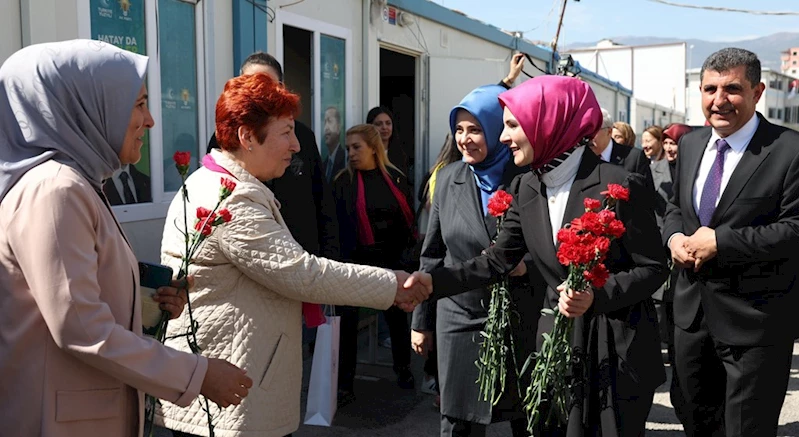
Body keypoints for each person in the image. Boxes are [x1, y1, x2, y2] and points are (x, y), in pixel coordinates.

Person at [0, 40, 252, 437]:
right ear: (85, 107)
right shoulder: (55, 190)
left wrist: (144, 299)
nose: (150, 120)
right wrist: (197, 373)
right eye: (137, 104)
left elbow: (73, 296)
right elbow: (82, 328)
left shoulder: (78, 184)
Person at [157, 74, 429, 437]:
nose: (297, 145)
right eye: (286, 132)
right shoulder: (231, 198)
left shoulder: (216, 183)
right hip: (226, 407)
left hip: (230, 391)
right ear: (247, 137)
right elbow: (302, 274)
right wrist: (392, 284)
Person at [408, 75, 668, 437]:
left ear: (548, 123)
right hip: (554, 349)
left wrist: (597, 294)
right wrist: (432, 283)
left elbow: (654, 268)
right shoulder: (526, 185)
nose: (502, 136)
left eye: (512, 125)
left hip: (613, 349)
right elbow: (496, 259)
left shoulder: (620, 185)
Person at [663, 47, 799, 437]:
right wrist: (673, 237)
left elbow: (794, 229)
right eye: (709, 89)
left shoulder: (789, 151)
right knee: (695, 418)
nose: (718, 101)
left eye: (732, 89)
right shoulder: (690, 145)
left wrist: (722, 242)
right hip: (691, 319)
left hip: (755, 322)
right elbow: (676, 207)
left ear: (758, 93)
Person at [411, 84, 539, 437]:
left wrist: (526, 266)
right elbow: (433, 253)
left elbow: (547, 246)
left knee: (528, 416)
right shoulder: (449, 178)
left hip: (517, 316)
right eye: (459, 129)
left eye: (476, 129)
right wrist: (421, 321)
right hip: (458, 316)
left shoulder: (527, 180)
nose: (464, 139)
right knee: (457, 420)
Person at [332, 124, 418, 402]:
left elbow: (408, 224)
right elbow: (336, 227)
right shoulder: (342, 182)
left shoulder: (395, 178)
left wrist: (405, 262)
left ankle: (403, 369)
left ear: (372, 147)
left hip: (390, 259)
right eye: (348, 149)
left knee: (396, 320)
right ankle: (345, 383)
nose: (351, 154)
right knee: (347, 326)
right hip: (354, 263)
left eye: (356, 147)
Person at [590, 108, 654, 191]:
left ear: (609, 132)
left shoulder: (634, 157)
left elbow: (647, 196)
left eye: (594, 130)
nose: (588, 136)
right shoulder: (581, 156)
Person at [367, 106, 411, 181]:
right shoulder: (365, 154)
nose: (384, 127)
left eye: (388, 123)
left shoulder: (400, 154)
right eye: (378, 124)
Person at [323, 106, 346, 181]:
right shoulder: (324, 164)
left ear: (339, 128)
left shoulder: (345, 160)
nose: (326, 127)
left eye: (329, 121)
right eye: (324, 122)